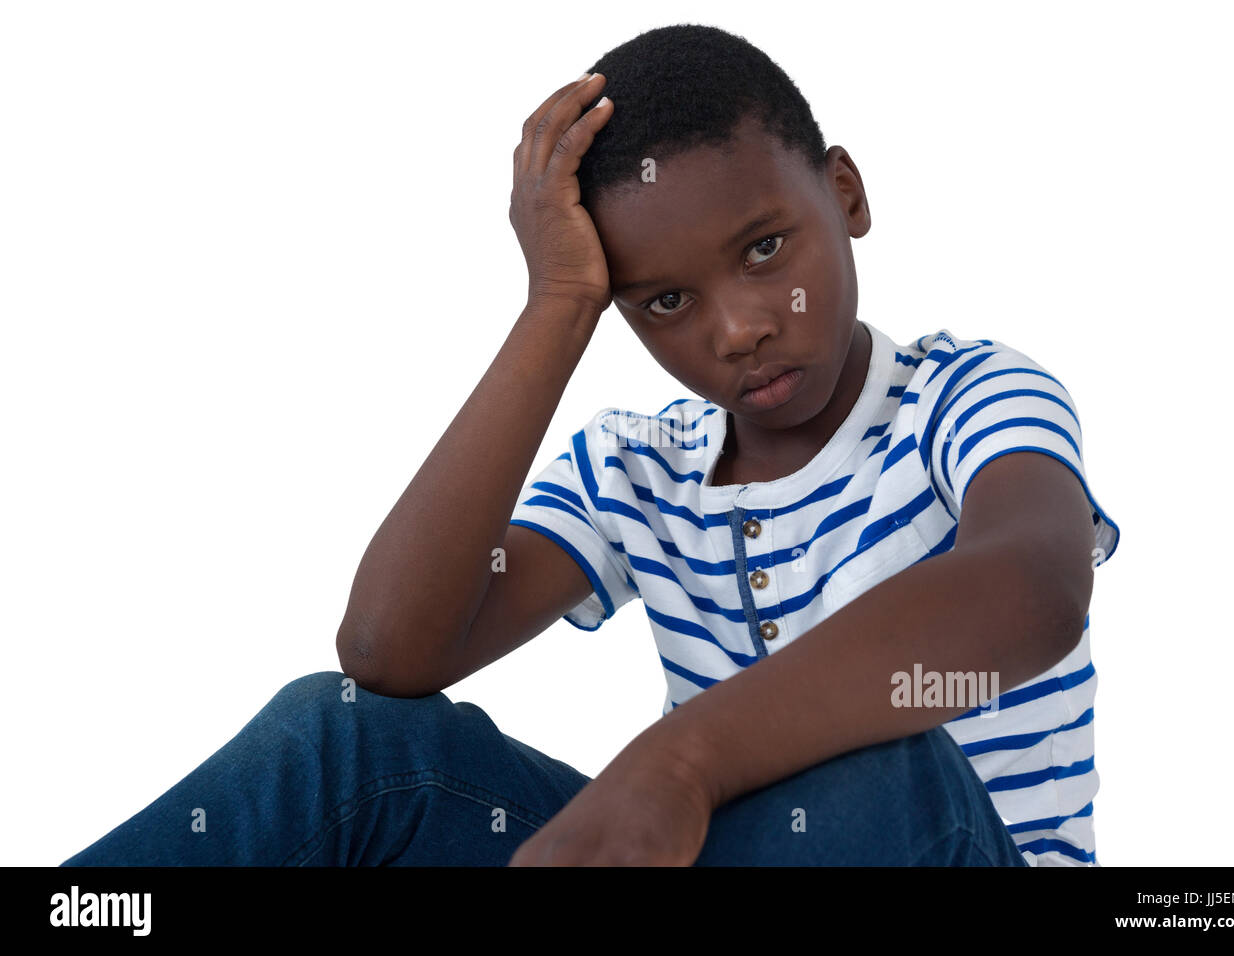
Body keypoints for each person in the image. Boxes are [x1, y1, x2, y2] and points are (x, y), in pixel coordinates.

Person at [60, 23, 1118, 868]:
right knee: (340, 734)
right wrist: (558, 303)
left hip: (933, 845)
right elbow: (391, 650)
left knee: (878, 770)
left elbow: (1031, 592)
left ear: (844, 194)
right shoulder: (640, 464)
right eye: (664, 301)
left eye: (764, 248)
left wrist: (682, 761)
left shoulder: (965, 395)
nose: (737, 328)